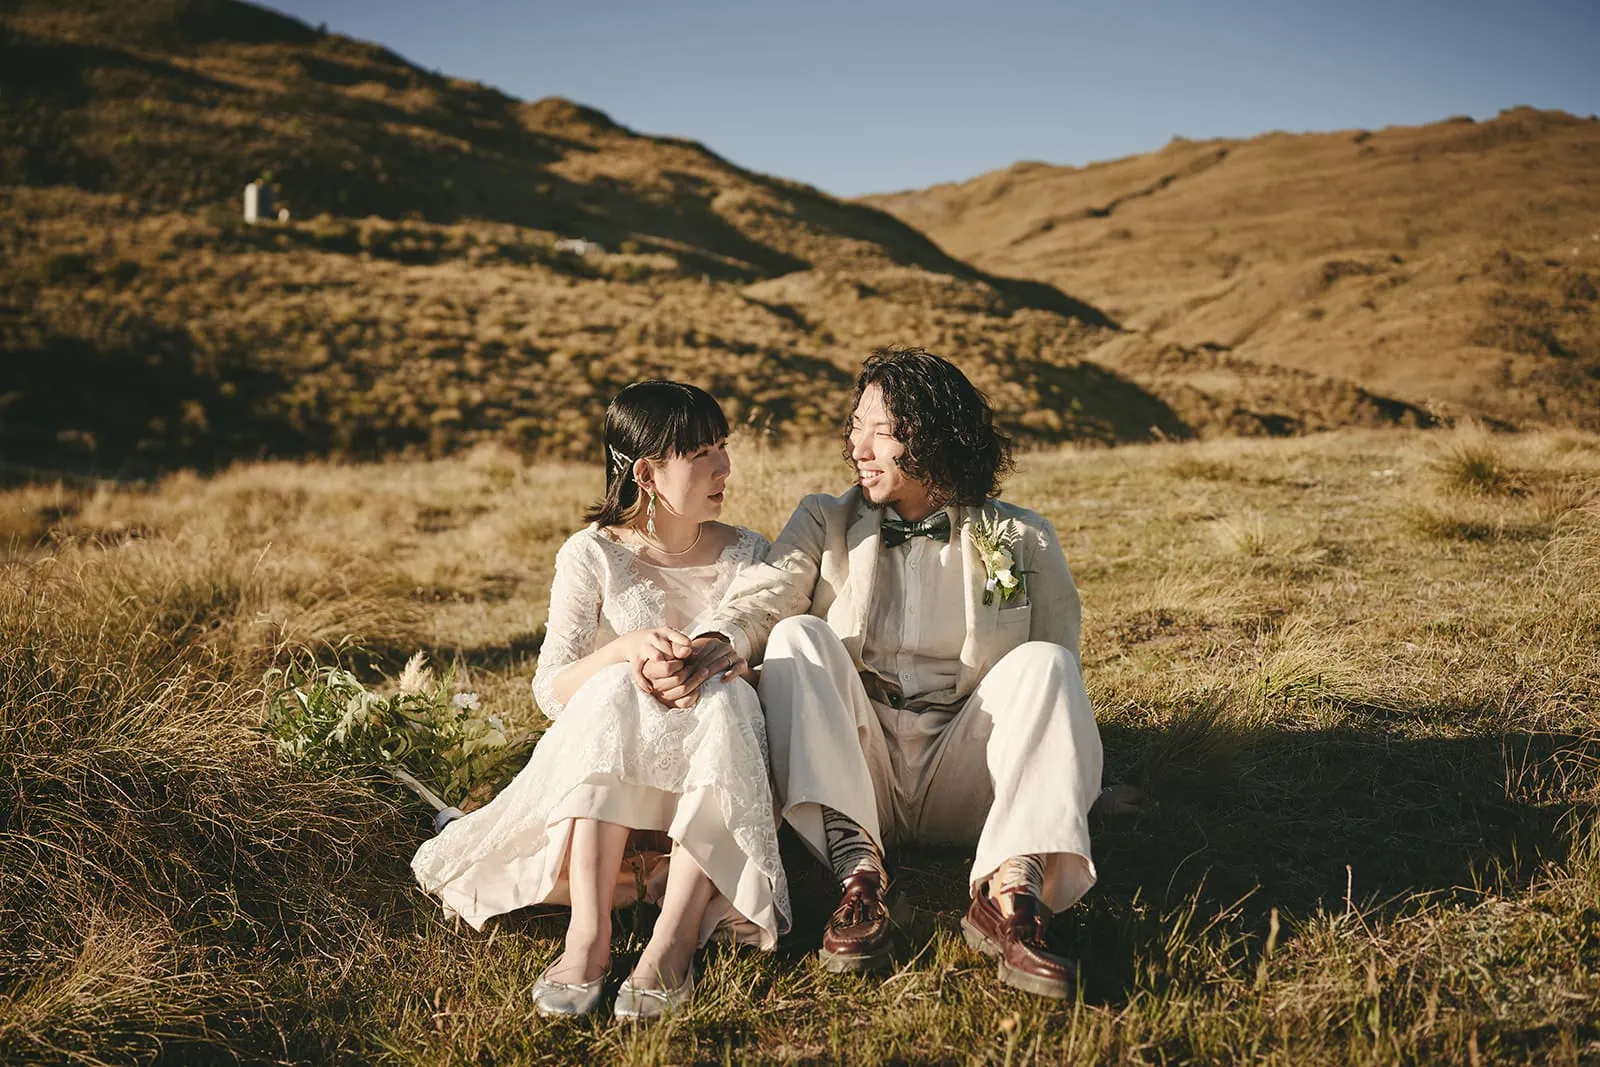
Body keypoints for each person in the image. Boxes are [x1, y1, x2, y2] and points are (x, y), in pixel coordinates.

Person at [662, 347, 1102, 999]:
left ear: (934, 435)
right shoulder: (825, 519)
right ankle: (857, 879)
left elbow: (1056, 691)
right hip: (856, 765)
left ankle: (1011, 897)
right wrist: (718, 638)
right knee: (799, 635)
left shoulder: (1020, 538)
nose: (858, 446)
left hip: (968, 764)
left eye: (882, 429)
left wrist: (1088, 779)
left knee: (1049, 663)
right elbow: (768, 591)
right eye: (855, 426)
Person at [411, 380, 789, 1021]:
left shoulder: (749, 550)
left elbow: (771, 666)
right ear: (647, 472)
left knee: (725, 696)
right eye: (702, 453)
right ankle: (588, 934)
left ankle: (672, 939)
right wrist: (627, 650)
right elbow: (550, 690)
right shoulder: (591, 553)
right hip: (617, 759)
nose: (724, 467)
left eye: (723, 447)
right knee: (617, 684)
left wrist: (725, 671)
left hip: (716, 751)